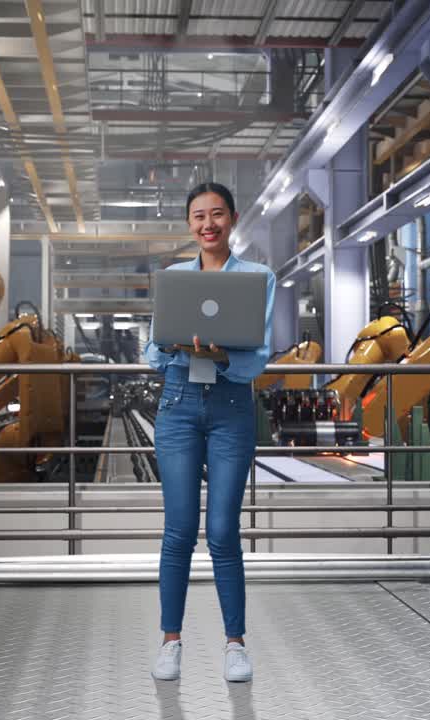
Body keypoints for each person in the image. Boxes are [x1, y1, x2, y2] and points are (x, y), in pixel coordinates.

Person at [144, 181, 276, 683]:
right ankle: (171, 642)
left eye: (217, 214)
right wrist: (175, 345)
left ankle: (235, 645)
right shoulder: (175, 279)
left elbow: (259, 356)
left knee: (222, 531)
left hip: (230, 407)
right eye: (198, 216)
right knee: (178, 531)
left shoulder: (257, 277)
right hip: (177, 405)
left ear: (232, 219)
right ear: (189, 224)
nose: (208, 224)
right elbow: (151, 354)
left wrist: (223, 356)